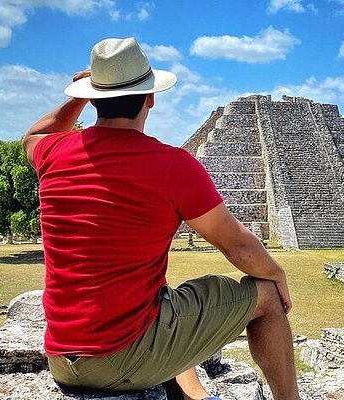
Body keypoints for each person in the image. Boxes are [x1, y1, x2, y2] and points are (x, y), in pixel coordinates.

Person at [23, 37, 300, 400]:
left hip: (62, 357)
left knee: (161, 300)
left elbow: (35, 134)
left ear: (92, 99)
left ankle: (192, 393)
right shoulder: (173, 166)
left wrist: (79, 95)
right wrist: (277, 275)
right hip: (120, 357)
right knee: (266, 296)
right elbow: (238, 245)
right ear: (150, 97)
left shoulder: (53, 153)